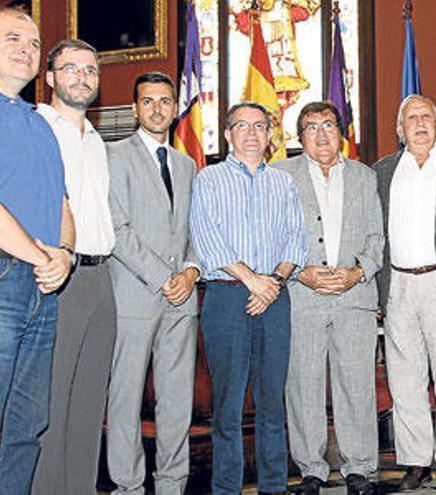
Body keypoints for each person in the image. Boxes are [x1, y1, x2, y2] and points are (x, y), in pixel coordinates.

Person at [190, 101, 308, 495]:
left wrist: (271, 281)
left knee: (272, 402)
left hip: (275, 298)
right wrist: (253, 281)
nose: (252, 133)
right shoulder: (208, 179)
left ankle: (274, 485)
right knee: (227, 406)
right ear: (228, 135)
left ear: (270, 135)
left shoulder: (283, 183)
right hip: (227, 300)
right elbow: (209, 243)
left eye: (260, 126)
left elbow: (297, 241)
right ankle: (227, 487)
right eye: (243, 126)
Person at [274, 101, 384, 495]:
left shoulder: (363, 176)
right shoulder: (280, 175)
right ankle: (311, 470)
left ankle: (359, 467)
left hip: (353, 297)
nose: (320, 134)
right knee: (302, 384)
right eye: (310, 127)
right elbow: (270, 236)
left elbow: (376, 238)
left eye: (328, 125)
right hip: (302, 297)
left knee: (356, 384)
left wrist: (357, 272)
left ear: (341, 132)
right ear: (299, 137)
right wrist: (299, 272)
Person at [104, 72, 200, 495]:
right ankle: (128, 485)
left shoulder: (186, 164)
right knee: (125, 399)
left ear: (175, 108)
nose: (157, 108)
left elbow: (198, 231)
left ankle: (172, 484)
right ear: (134, 108)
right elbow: (118, 230)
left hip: (183, 300)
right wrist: (166, 277)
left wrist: (192, 271)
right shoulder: (113, 156)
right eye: (149, 101)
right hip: (134, 296)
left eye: (165, 101)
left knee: (177, 401)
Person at [374, 95, 436, 494]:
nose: (419, 124)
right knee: (404, 379)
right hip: (396, 284)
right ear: (399, 130)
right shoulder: (382, 171)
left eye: (426, 118)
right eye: (411, 118)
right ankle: (415, 461)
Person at [30, 38, 117, 495]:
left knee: (89, 405)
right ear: (49, 78)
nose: (82, 77)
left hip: (102, 278)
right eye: (70, 69)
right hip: (58, 279)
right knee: (53, 404)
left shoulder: (98, 140)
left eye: (90, 70)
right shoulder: (36, 128)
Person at [0, 7, 74, 493]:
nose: (26, 50)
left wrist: (64, 254)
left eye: (33, 42)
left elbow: (63, 202)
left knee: (27, 425)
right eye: (12, 38)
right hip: (6, 274)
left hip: (44, 285)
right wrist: (38, 255)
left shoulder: (41, 123)